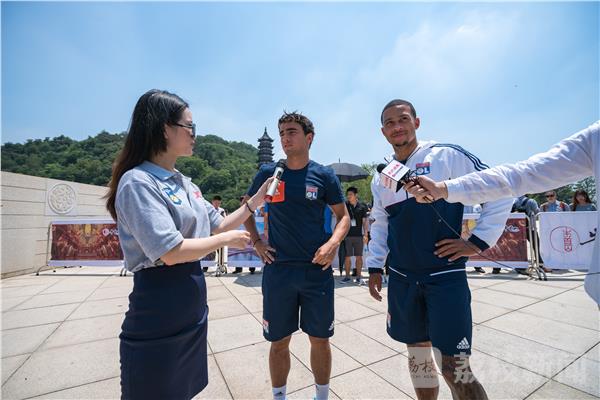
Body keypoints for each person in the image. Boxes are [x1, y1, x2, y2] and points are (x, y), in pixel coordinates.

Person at [104, 89, 272, 400]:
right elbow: (169, 251)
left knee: (183, 390)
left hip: (191, 304)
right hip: (158, 304)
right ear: (164, 128)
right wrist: (225, 240)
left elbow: (218, 222)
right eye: (189, 126)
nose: (195, 134)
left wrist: (255, 202)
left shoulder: (185, 183)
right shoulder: (138, 182)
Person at [367, 99, 513, 400]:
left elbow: (501, 188)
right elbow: (380, 224)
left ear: (416, 123)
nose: (397, 127)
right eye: (390, 123)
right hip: (403, 278)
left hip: (444, 277)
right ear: (383, 131)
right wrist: (373, 266)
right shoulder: (381, 176)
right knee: (419, 358)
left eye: (403, 119)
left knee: (454, 367)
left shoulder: (446, 156)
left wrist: (476, 241)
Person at [403, 121, 599, 306]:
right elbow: (516, 177)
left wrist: (478, 240)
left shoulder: (448, 153)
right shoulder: (594, 136)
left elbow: (508, 188)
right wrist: (443, 188)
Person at [243, 111, 350, 400]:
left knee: (320, 339)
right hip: (279, 271)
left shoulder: (323, 175)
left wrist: (332, 244)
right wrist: (256, 241)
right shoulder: (269, 174)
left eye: (291, 131)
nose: (285, 138)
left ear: (309, 137)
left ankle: (322, 396)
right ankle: (279, 396)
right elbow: (246, 211)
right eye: (281, 133)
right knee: (278, 342)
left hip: (316, 271)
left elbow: (343, 217)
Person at [341, 187, 369, 284]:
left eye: (350, 194)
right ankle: (347, 277)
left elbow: (365, 222)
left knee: (359, 257)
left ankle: (358, 277)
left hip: (358, 236)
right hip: (347, 235)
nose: (348, 196)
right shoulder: (345, 205)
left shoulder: (362, 206)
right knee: (347, 257)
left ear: (356, 195)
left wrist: (365, 234)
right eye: (347, 194)